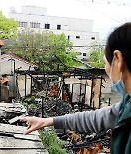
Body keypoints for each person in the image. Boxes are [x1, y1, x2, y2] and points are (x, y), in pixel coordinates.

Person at [19, 22, 131, 154]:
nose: (107, 70)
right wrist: (47, 121)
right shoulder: (126, 105)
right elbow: (95, 118)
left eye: (105, 63)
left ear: (117, 59)